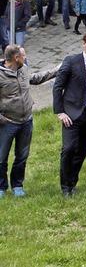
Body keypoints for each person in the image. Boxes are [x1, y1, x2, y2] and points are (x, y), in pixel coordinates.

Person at [0, 45, 57, 198]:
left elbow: (36, 79)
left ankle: (17, 185)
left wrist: (57, 69)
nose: (25, 58)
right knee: (1, 157)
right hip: (7, 123)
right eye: (23, 56)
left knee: (22, 155)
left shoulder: (23, 68)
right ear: (16, 58)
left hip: (26, 121)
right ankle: (1, 187)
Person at [53, 31, 86, 197]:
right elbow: (58, 87)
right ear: (84, 43)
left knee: (81, 151)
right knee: (68, 149)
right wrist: (59, 112)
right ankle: (65, 186)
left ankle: (72, 183)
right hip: (72, 113)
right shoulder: (71, 61)